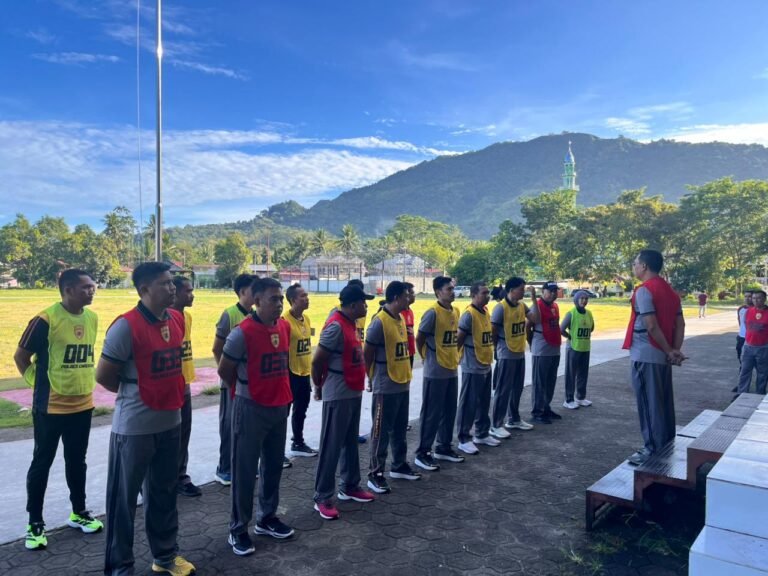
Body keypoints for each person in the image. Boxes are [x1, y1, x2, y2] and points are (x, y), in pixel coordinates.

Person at [97, 261, 195, 576]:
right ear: (144, 289)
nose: (172, 288)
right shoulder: (125, 326)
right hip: (134, 429)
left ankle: (165, 557)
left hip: (171, 423)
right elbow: (104, 376)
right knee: (123, 502)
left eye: (172, 282)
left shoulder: (177, 319)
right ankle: (120, 566)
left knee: (163, 494)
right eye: (165, 283)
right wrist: (138, 394)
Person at [14, 269, 102, 551]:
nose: (91, 291)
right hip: (51, 407)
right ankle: (35, 523)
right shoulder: (45, 319)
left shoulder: (92, 317)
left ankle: (79, 512)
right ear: (68, 290)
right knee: (42, 462)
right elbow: (21, 356)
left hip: (82, 404)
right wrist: (37, 383)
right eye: (85, 287)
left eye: (93, 286)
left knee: (77, 461)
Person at [217, 277, 295, 556]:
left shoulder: (284, 326)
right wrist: (242, 393)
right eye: (274, 299)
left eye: (281, 299)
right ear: (257, 300)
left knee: (273, 466)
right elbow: (225, 370)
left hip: (279, 406)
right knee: (245, 471)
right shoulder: (241, 333)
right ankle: (238, 528)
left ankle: (267, 518)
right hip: (250, 407)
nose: (280, 304)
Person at [312, 284, 377, 519]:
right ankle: (322, 496)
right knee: (331, 445)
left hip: (352, 390)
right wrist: (318, 386)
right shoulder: (336, 326)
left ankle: (350, 485)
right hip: (338, 392)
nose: (366, 306)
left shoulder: (350, 324)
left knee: (350, 441)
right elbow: (317, 361)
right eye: (363, 303)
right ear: (352, 305)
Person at [622, 250, 686, 466]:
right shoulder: (671, 292)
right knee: (663, 402)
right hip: (661, 355)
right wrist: (674, 350)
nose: (634, 267)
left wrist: (668, 350)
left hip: (646, 353)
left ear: (644, 266)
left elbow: (651, 325)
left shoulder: (644, 291)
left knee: (649, 403)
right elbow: (680, 324)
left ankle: (652, 449)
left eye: (635, 263)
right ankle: (666, 444)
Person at [364, 281, 422, 493]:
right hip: (385, 386)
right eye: (407, 295)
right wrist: (370, 377)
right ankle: (375, 473)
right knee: (381, 431)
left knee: (400, 428)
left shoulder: (400, 318)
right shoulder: (379, 321)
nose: (410, 298)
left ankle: (399, 465)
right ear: (396, 297)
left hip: (402, 383)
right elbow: (367, 353)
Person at [414, 276, 465, 471]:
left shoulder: (455, 311)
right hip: (435, 371)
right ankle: (423, 452)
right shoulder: (432, 313)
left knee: (449, 410)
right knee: (431, 413)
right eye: (448, 289)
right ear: (438, 292)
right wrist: (426, 357)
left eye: (453, 288)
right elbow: (420, 338)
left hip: (451, 368)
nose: (452, 292)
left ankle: (444, 447)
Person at [212, 273, 255, 485]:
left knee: (246, 426)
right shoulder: (229, 314)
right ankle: (224, 468)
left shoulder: (256, 315)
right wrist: (228, 378)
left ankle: (243, 465)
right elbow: (217, 349)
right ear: (243, 292)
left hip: (249, 382)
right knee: (229, 425)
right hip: (231, 382)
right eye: (254, 289)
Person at [489, 277, 538, 438]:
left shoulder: (522, 305)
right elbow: (493, 330)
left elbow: (536, 319)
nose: (523, 292)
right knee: (503, 389)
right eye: (521, 289)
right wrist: (496, 349)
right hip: (506, 353)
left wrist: (534, 299)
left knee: (517, 388)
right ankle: (496, 424)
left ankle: (514, 419)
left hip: (519, 352)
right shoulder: (500, 308)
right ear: (511, 290)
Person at [455, 282, 499, 454]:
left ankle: (482, 433)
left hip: (485, 363)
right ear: (474, 295)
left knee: (484, 401)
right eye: (484, 293)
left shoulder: (485, 312)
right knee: (468, 403)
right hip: (472, 366)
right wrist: (457, 358)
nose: (488, 296)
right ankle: (463, 438)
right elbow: (459, 339)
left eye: (488, 293)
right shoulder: (469, 315)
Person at [170, 276, 201, 498]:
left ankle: (180, 476)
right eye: (188, 291)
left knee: (184, 433)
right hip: (169, 387)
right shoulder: (165, 318)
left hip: (185, 383)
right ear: (175, 292)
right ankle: (160, 479)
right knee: (166, 437)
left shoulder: (187, 317)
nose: (192, 295)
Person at [282, 283, 318, 457]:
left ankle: (298, 442)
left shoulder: (307, 319)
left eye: (306, 295)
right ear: (292, 300)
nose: (307, 299)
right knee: (283, 413)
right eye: (302, 296)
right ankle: (276, 450)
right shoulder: (284, 321)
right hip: (290, 373)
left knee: (301, 410)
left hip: (304, 372)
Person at [530, 281, 562, 424]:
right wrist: (531, 343)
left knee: (550, 381)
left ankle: (546, 407)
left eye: (555, 291)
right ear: (543, 292)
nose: (553, 293)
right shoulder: (537, 306)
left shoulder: (555, 306)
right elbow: (528, 326)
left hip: (554, 348)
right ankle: (538, 411)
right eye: (550, 291)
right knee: (540, 382)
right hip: (542, 349)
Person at [561, 290, 595, 410]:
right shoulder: (571, 313)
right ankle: (569, 399)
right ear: (576, 300)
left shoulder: (589, 313)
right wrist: (569, 337)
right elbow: (561, 329)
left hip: (585, 347)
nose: (584, 301)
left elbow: (591, 328)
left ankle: (580, 397)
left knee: (583, 373)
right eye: (582, 298)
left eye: (586, 299)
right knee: (571, 374)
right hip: (573, 347)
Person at [736, 289, 768, 396]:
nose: (756, 300)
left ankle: (760, 394)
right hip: (748, 346)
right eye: (754, 298)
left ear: (764, 299)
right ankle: (741, 394)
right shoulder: (748, 311)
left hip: (763, 347)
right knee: (744, 371)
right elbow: (745, 325)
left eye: (759, 298)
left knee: (762, 373)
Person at [736, 291, 753, 365]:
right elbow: (740, 323)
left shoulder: (759, 309)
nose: (747, 298)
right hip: (742, 338)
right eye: (745, 296)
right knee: (742, 361)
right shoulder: (741, 309)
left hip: (754, 339)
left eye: (749, 296)